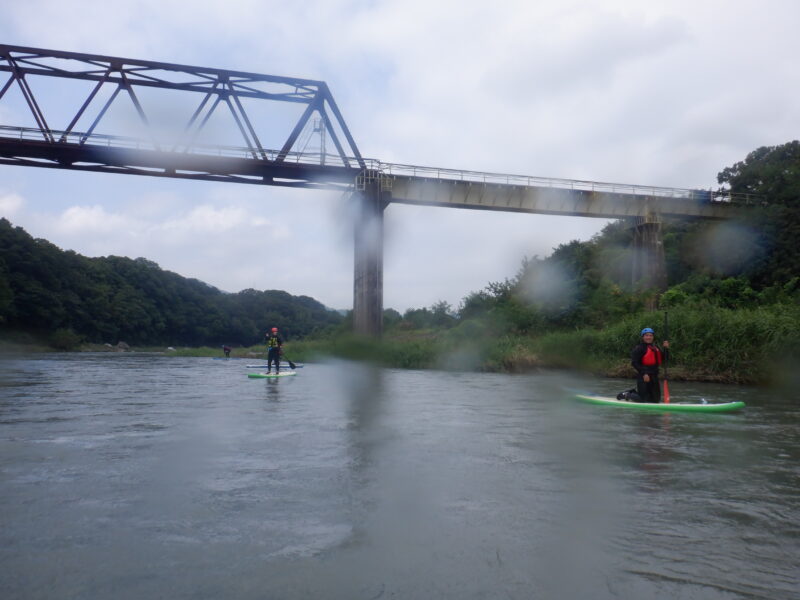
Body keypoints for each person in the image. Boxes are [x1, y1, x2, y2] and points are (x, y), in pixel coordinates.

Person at [630, 327, 670, 403]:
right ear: (643, 337)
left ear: (653, 337)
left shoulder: (656, 348)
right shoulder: (639, 348)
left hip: (654, 376)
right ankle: (628, 394)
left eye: (650, 335)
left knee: (656, 400)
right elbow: (634, 363)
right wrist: (644, 373)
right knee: (643, 400)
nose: (649, 337)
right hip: (643, 376)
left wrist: (666, 349)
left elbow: (665, 358)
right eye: (646, 335)